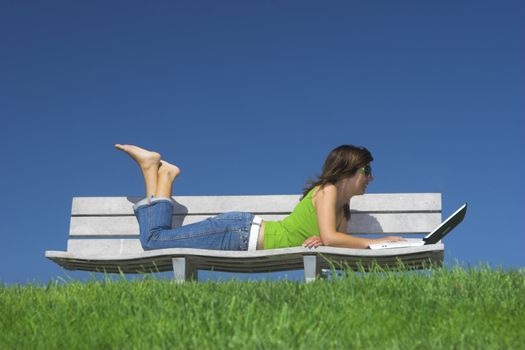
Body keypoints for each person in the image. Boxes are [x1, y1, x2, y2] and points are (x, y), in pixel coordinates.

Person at [115, 144, 406, 252]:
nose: (370, 177)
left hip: (242, 236)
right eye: (366, 170)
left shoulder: (343, 210)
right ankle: (151, 168)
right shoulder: (328, 189)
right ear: (348, 168)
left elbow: (334, 244)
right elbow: (332, 239)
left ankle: (163, 175)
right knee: (153, 241)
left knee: (156, 239)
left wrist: (325, 239)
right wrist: (381, 241)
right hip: (238, 232)